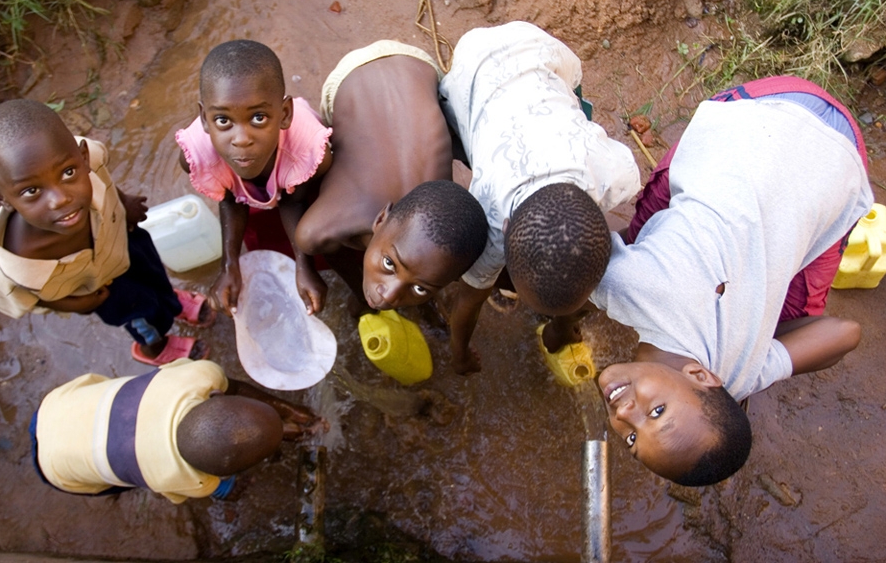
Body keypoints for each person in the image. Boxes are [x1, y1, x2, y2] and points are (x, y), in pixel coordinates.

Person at [589, 76, 873, 486]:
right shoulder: (623, 287)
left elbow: (846, 333)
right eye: (656, 412)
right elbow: (568, 241)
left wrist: (757, 350)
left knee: (793, 312)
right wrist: (564, 308)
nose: (624, 414)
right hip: (767, 114)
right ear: (702, 377)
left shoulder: (738, 374)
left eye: (632, 438)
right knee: (639, 234)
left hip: (840, 164)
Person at [437, 21, 640, 375]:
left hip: (539, 51)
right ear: (502, 228)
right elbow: (468, 300)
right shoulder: (489, 211)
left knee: (573, 105)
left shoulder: (612, 171)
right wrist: (460, 353)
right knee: (464, 138)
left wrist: (563, 322)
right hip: (472, 67)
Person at [0, 99, 213, 366]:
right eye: (31, 191)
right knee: (141, 316)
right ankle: (154, 347)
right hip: (103, 288)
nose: (60, 199)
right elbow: (28, 297)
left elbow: (101, 177)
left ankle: (171, 301)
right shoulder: (18, 262)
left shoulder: (88, 160)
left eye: (68, 173)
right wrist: (73, 304)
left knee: (155, 274)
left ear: (82, 157)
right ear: (0, 198)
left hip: (124, 241)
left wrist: (123, 202)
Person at [291, 40, 488, 315]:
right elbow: (317, 243)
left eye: (420, 289)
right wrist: (359, 295)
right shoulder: (318, 230)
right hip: (350, 76)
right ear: (380, 218)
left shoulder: (446, 217)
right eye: (388, 264)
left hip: (417, 68)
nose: (389, 295)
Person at [176, 40, 333, 317]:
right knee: (262, 239)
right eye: (223, 120)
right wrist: (229, 264)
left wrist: (303, 265)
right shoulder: (198, 156)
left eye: (258, 117)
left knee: (321, 243)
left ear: (285, 114)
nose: (241, 139)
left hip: (298, 186)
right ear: (204, 118)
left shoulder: (309, 152)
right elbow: (229, 198)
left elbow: (295, 200)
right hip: (256, 193)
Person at [31, 358, 323, 502]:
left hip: (58, 406)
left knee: (119, 455)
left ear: (215, 395)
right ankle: (227, 490)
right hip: (56, 467)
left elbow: (233, 387)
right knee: (118, 479)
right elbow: (204, 482)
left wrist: (287, 411)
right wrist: (222, 488)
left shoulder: (197, 377)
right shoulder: (190, 482)